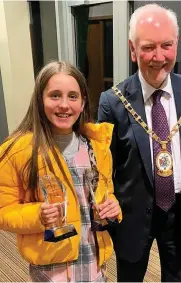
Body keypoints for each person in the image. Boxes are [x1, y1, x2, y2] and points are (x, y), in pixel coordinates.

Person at [98, 3, 181, 282]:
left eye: (166, 45)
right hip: (132, 216)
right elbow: (103, 170)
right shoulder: (113, 102)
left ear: (176, 44)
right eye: (147, 47)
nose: (158, 57)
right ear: (133, 49)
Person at [0, 61, 122, 282]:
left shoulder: (96, 147)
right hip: (50, 270)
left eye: (73, 96)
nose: (64, 105)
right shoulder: (17, 151)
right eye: (55, 95)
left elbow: (106, 193)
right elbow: (3, 210)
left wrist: (113, 206)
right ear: (40, 100)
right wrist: (37, 214)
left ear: (83, 102)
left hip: (93, 263)